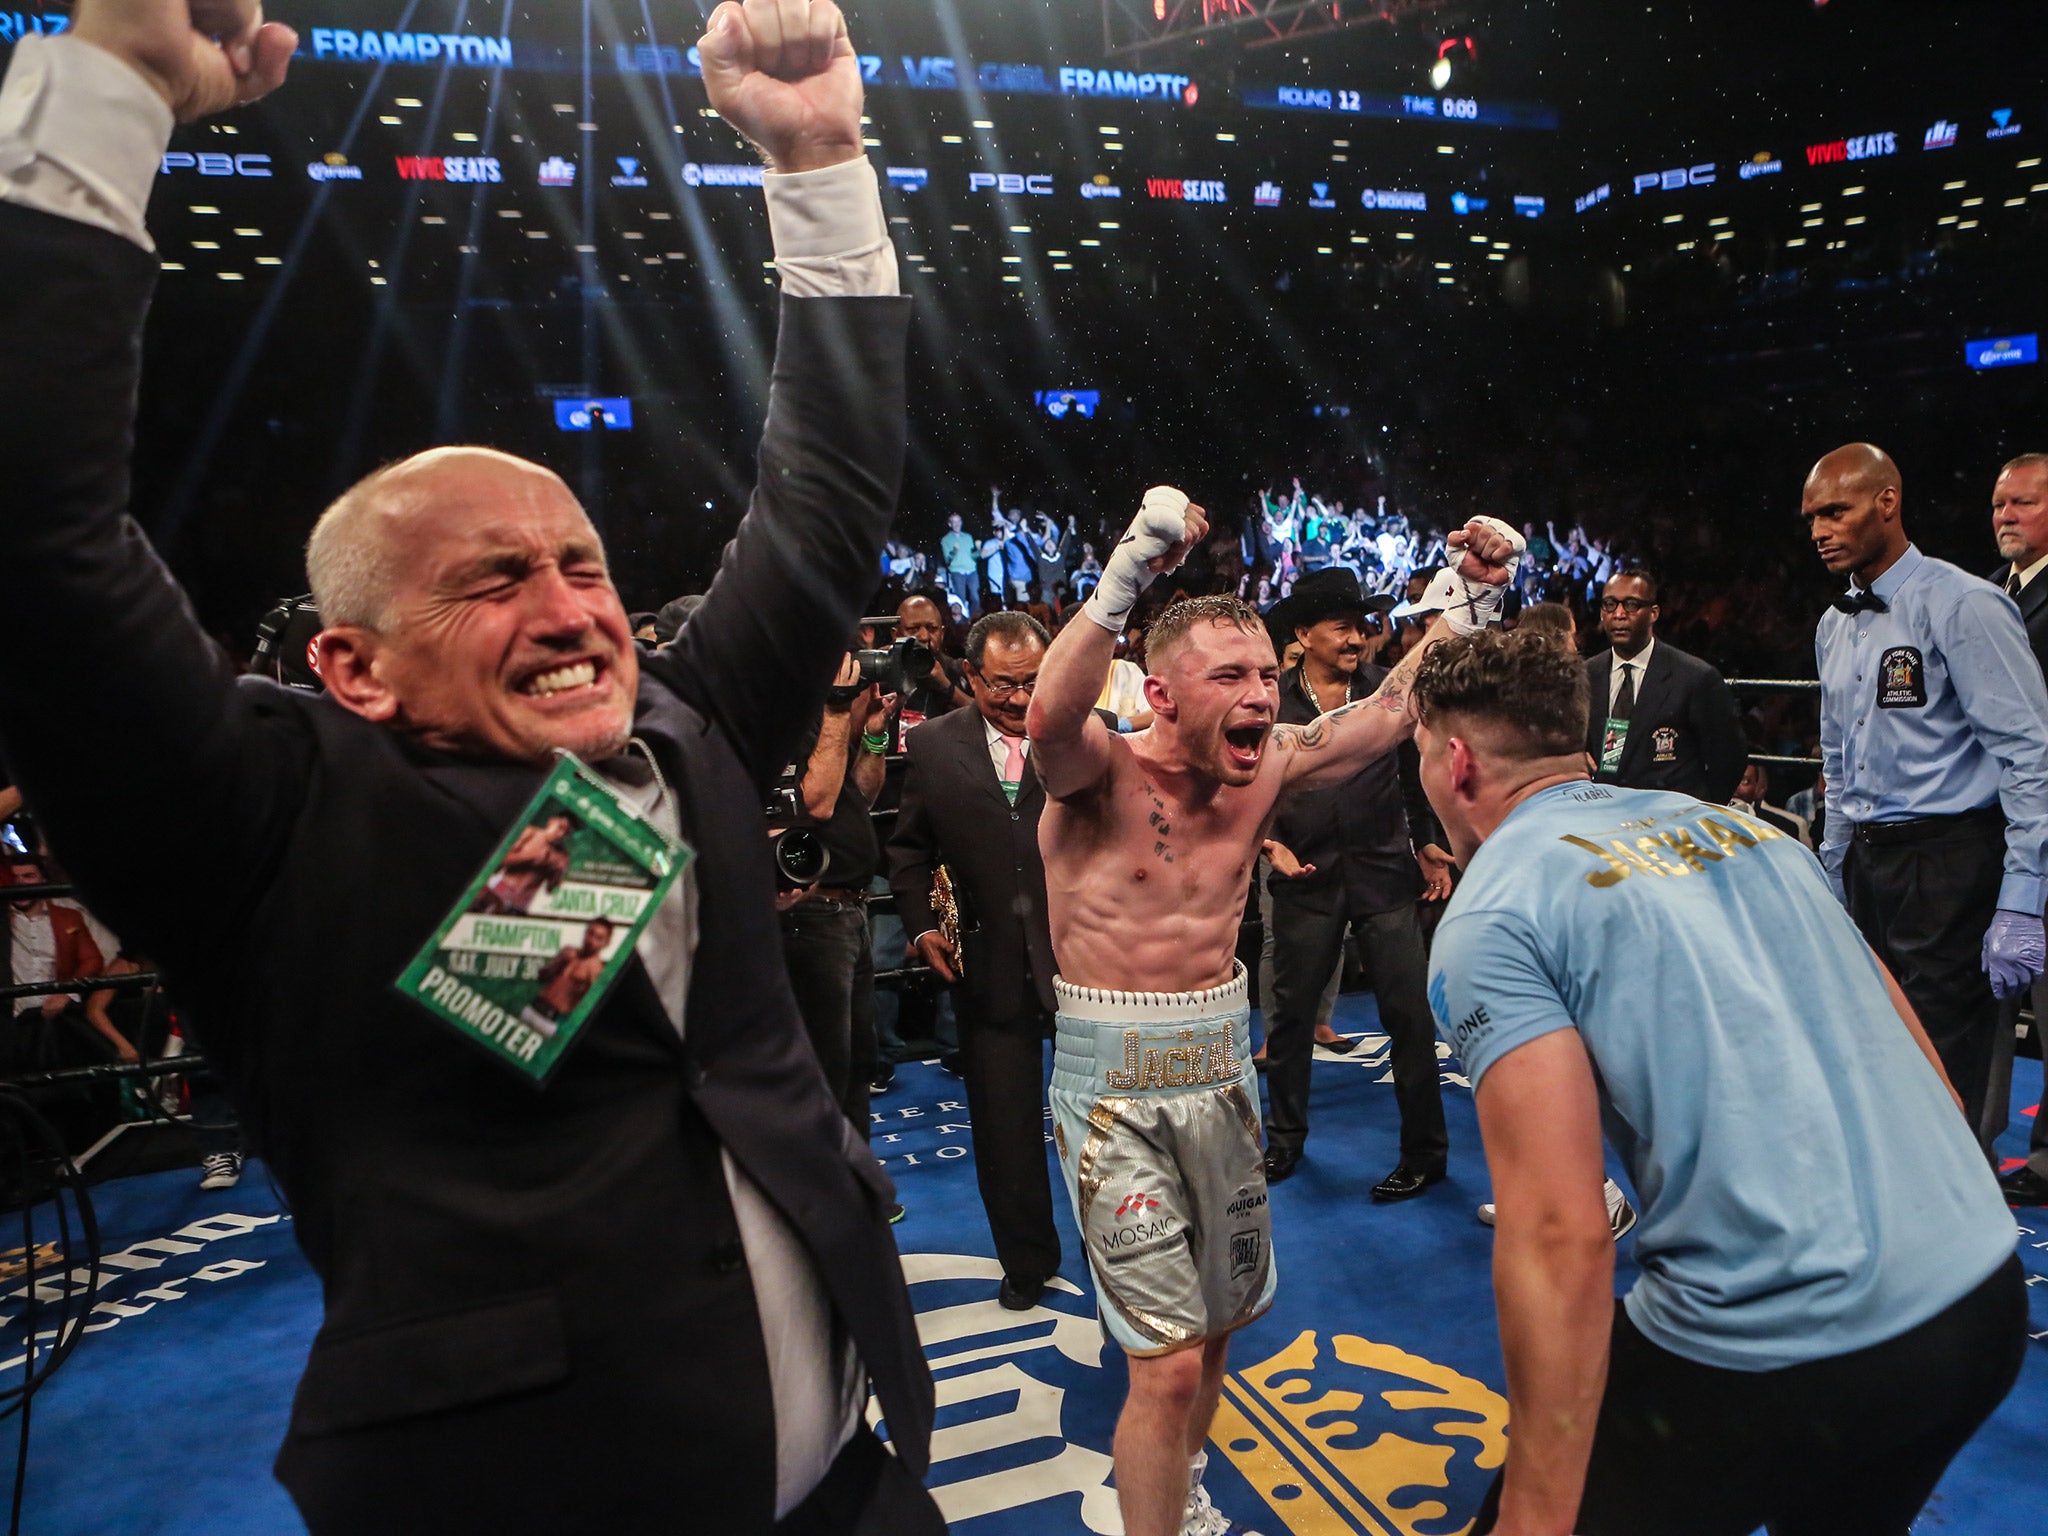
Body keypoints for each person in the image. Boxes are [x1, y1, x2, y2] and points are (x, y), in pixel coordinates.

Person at [0, 3, 939, 1531]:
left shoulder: (687, 726)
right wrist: (115, 86)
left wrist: (824, 161)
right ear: (350, 664)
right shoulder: (265, 821)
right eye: (492, 580)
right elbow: (34, 543)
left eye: (582, 562)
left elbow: (825, 495)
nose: (572, 609)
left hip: (853, 1483)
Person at [1414, 628, 2025, 1536]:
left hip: (1776, 1347)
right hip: (1978, 1301)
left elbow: (1558, 1235)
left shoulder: (1497, 910)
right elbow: (1917, 1052)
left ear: (1455, 762)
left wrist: (1538, 1517)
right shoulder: (1751, 833)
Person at [1027, 485, 1519, 1536]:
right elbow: (1046, 716)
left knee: (1212, 1337)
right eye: (1229, 677)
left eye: (1263, 673)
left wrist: (1467, 601)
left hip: (1216, 1072)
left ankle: (1185, 1496)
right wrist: (1125, 574)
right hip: (1112, 1095)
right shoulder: (1095, 773)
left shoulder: (1268, 768)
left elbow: (1388, 713)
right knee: (1158, 1372)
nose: (1260, 694)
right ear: (1160, 693)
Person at [1806, 443, 2048, 1141]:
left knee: (1946, 1069)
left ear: (1887, 502)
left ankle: (1967, 1237)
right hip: (1871, 863)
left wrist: (2023, 896)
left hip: (1949, 862)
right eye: (1811, 518)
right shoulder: (1834, 624)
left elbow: (2027, 755)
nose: (1820, 530)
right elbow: (1840, 759)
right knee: (1879, 1054)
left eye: (1835, 511)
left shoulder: (1965, 603)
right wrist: (1832, 869)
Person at [886, 612, 1063, 1307]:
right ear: (970, 676)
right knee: (1004, 1130)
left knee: (1109, 1123)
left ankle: (1127, 1256)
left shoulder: (1087, 729)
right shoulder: (932, 745)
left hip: (1086, 963)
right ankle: (1026, 1262)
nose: (1021, 700)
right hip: (984, 968)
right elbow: (907, 851)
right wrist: (922, 926)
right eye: (1004, 686)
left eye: (1034, 682)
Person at [1255, 569, 1450, 1199]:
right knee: (1288, 1024)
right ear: (1304, 633)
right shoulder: (1268, 702)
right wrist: (1265, 841)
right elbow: (1244, 788)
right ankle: (1282, 1143)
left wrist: (1424, 842)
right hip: (1305, 876)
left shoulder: (1386, 694)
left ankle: (1425, 1154)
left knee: (1410, 1019)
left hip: (1384, 871)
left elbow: (1414, 773)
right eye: (1342, 626)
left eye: (1362, 627)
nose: (1357, 638)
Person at [1986, 452, 2048, 1202]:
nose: (2005, 515)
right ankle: (1977, 1141)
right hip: (1996, 826)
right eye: (1999, 504)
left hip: (2041, 817)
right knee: (1993, 1001)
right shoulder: (1988, 593)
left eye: (2023, 504)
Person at [1583, 569, 1747, 806]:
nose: (1619, 614)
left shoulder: (1695, 678)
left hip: (1670, 821)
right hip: (1607, 817)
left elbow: (1729, 758)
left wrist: (1700, 809)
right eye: (1610, 604)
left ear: (1653, 613)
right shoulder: (1585, 676)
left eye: (1631, 605)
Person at [939, 510, 980, 615]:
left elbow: (973, 556)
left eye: (958, 521)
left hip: (971, 571)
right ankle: (962, 622)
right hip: (957, 572)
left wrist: (979, 549)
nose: (957, 524)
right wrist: (954, 552)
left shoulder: (968, 537)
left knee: (975, 597)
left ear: (961, 522)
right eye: (954, 522)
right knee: (960, 598)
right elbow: (947, 560)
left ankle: (976, 619)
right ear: (950, 524)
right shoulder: (946, 539)